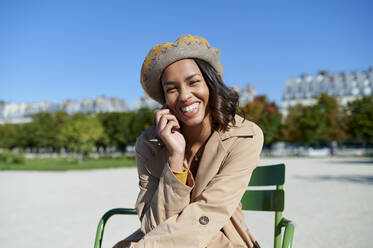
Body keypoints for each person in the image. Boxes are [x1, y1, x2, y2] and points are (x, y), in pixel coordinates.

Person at [114, 34, 263, 248]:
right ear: (165, 100)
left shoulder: (244, 137)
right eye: (172, 89)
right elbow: (152, 224)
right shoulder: (149, 145)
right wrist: (175, 159)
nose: (184, 96)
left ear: (211, 85)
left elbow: (208, 213)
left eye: (194, 82)